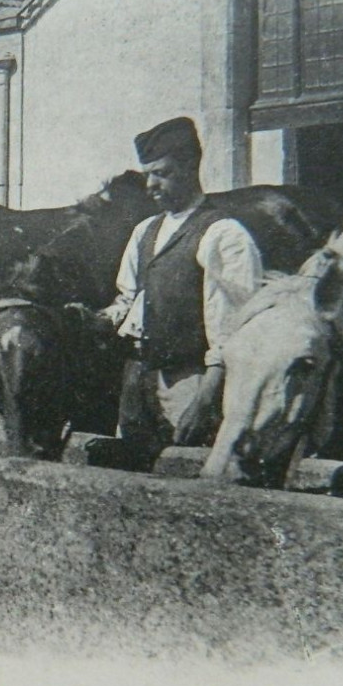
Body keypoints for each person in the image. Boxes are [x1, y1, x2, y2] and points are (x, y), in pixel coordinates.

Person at [96, 116, 263, 464]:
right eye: (147, 175)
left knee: (190, 472)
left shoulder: (224, 235)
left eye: (162, 173)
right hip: (137, 378)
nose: (151, 185)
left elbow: (236, 332)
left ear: (190, 166)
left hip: (189, 381)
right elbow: (128, 299)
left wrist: (204, 400)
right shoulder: (145, 231)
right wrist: (99, 319)